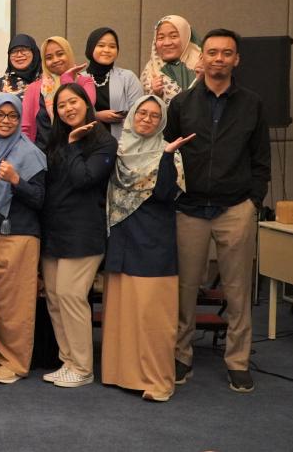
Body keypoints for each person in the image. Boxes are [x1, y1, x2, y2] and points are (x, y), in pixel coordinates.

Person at [166, 28, 271, 393]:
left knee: (238, 291)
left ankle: (238, 362)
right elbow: (169, 153)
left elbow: (261, 160)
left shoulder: (252, 104)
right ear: (202, 58)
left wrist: (253, 201)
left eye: (227, 53)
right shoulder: (181, 104)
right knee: (184, 290)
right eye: (212, 52)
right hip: (190, 209)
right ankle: (181, 356)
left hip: (235, 209)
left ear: (236, 60)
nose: (219, 59)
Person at [101, 95, 190, 402]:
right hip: (122, 238)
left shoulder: (170, 152)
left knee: (153, 316)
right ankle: (121, 374)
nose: (147, 119)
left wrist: (165, 157)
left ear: (162, 121)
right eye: (142, 113)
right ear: (132, 115)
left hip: (153, 240)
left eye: (154, 115)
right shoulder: (119, 150)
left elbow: (166, 194)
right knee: (123, 312)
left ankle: (158, 381)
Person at [40, 83, 117, 388]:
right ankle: (68, 361)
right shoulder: (56, 140)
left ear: (86, 103)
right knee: (55, 299)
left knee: (72, 296)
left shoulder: (103, 142)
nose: (68, 109)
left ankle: (83, 367)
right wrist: (67, 143)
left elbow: (84, 179)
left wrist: (73, 145)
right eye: (61, 105)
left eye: (73, 102)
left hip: (83, 232)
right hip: (54, 230)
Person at [0, 93, 47, 384]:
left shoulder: (30, 153)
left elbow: (40, 199)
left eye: (13, 116)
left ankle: (15, 363)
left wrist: (17, 180)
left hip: (18, 235)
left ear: (20, 119)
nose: (5, 121)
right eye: (0, 115)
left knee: (15, 306)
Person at [22, 36, 96, 150]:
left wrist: (66, 78)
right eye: (49, 57)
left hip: (78, 152)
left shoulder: (85, 82)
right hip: (42, 155)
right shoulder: (34, 88)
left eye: (60, 54)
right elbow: (25, 128)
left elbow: (83, 110)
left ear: (69, 54)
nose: (55, 60)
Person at [86, 27, 144, 140]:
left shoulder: (128, 77)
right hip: (87, 143)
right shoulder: (79, 78)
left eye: (112, 46)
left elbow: (140, 112)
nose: (107, 50)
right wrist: (96, 116)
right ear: (91, 47)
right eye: (101, 45)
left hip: (123, 143)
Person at [140, 14, 201, 103]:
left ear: (185, 37)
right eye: (161, 38)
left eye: (174, 36)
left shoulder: (203, 65)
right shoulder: (150, 71)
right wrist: (155, 94)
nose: (167, 43)